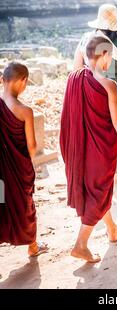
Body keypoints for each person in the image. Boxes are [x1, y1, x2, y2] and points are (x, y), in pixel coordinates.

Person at [60, 35, 117, 263]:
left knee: (97, 191)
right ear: (103, 54)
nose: (110, 61)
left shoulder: (73, 78)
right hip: (100, 149)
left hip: (78, 147)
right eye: (110, 56)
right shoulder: (108, 84)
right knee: (100, 190)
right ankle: (81, 244)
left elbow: (67, 116)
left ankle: (112, 229)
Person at [73, 4, 117, 172]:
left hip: (89, 88)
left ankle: (93, 164)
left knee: (92, 127)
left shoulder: (85, 39)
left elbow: (76, 67)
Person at [0, 62, 48, 257]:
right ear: (24, 81)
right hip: (19, 169)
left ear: (3, 80)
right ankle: (33, 246)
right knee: (25, 205)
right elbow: (32, 146)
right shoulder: (25, 111)